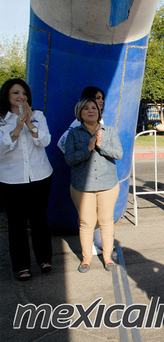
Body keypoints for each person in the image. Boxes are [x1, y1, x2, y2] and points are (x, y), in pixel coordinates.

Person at [0, 79, 53, 281]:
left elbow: (44, 141)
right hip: (11, 180)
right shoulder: (2, 119)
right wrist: (16, 129)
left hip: (39, 176)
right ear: (7, 96)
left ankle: (44, 259)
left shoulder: (38, 115)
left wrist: (29, 123)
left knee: (39, 219)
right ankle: (22, 266)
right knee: (17, 223)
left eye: (24, 93)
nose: (21, 97)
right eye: (16, 93)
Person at [64, 98, 123, 273]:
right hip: (83, 186)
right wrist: (88, 149)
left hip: (108, 184)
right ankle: (86, 259)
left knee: (106, 222)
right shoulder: (74, 134)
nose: (91, 111)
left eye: (94, 108)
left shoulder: (110, 131)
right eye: (86, 109)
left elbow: (118, 153)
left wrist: (100, 144)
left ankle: (107, 257)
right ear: (79, 114)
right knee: (86, 223)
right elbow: (69, 159)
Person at [58, 86, 106, 255]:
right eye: (97, 98)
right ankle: (89, 245)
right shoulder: (78, 123)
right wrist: (81, 156)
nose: (100, 101)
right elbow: (62, 144)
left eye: (101, 98)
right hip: (84, 176)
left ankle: (100, 241)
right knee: (87, 214)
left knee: (100, 211)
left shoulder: (102, 121)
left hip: (100, 175)